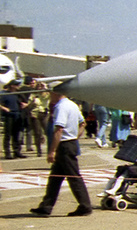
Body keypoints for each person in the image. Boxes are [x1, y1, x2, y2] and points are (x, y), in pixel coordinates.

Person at [30, 85, 93, 217]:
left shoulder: (60, 107)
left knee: (73, 176)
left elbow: (59, 130)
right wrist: (75, 137)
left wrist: (52, 151)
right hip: (70, 143)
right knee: (55, 177)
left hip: (64, 145)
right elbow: (83, 123)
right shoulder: (73, 105)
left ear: (55, 93)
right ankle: (46, 206)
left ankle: (85, 205)